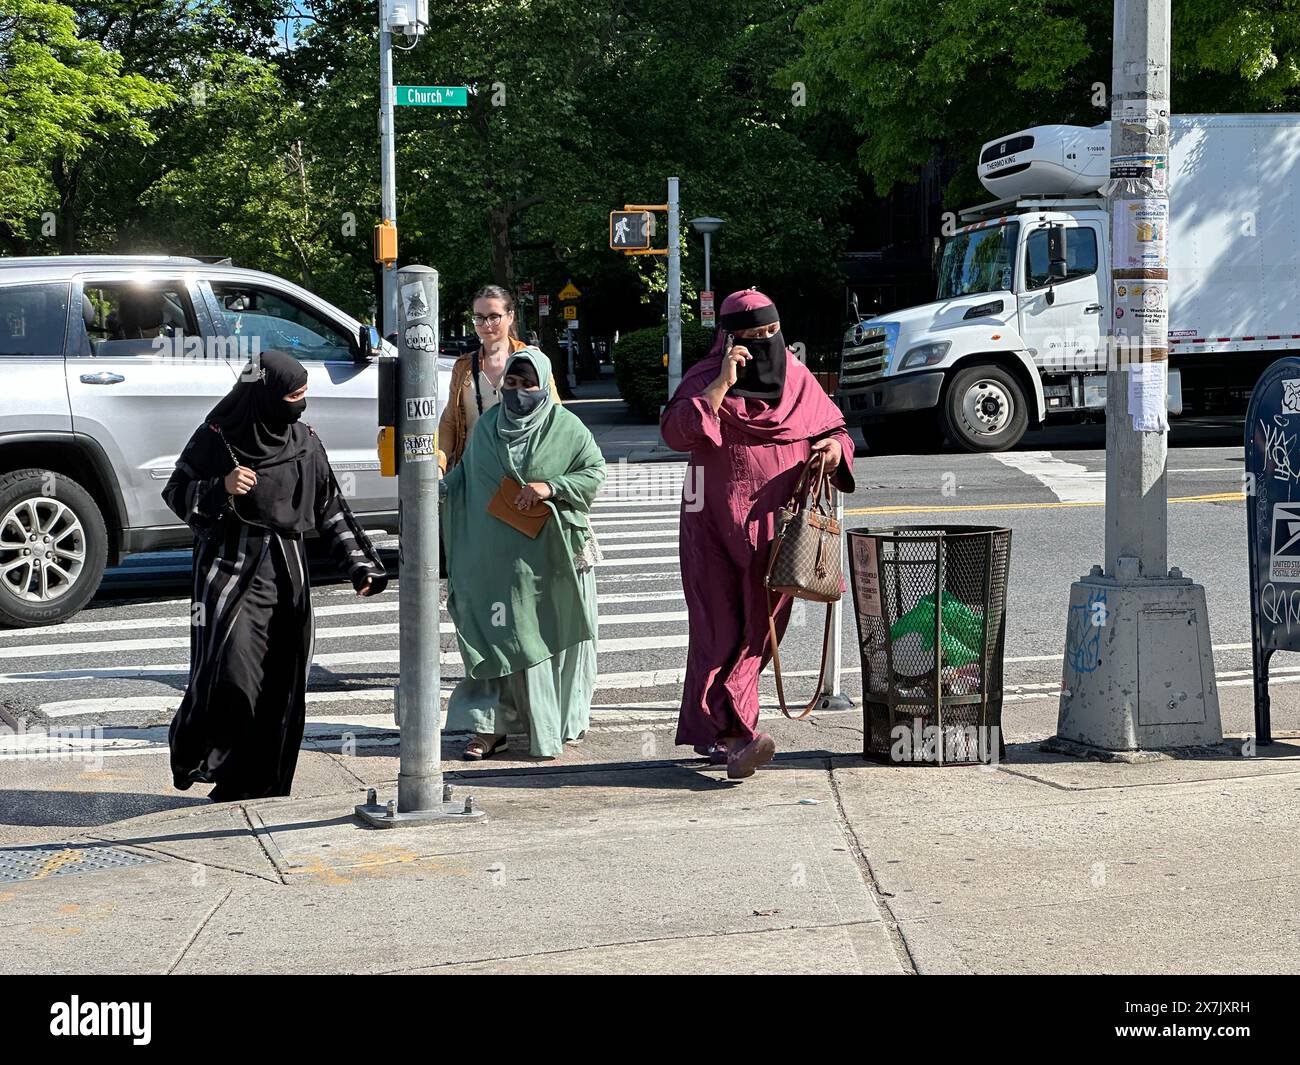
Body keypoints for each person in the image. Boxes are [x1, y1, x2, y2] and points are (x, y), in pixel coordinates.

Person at [162, 350, 387, 801]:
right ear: (262, 396)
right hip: (229, 571)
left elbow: (329, 507)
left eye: (304, 395)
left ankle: (262, 785)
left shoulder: (304, 439)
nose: (300, 404)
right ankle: (214, 766)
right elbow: (176, 492)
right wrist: (219, 487)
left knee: (281, 685)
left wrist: (359, 564)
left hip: (287, 570)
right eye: (292, 395)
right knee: (231, 677)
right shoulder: (216, 438)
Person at [661, 289, 856, 779]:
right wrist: (721, 387)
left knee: (759, 633)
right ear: (729, 340)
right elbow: (675, 431)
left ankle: (731, 733)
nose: (767, 343)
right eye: (754, 337)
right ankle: (737, 736)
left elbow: (837, 429)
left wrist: (833, 449)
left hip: (779, 532)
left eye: (773, 333)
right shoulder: (705, 379)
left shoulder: (796, 377)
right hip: (711, 528)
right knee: (716, 630)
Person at [440, 348, 605, 759]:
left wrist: (551, 489)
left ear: (544, 385)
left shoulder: (567, 428)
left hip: (550, 557)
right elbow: (465, 478)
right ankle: (489, 727)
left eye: (527, 384)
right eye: (510, 384)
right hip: (494, 556)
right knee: (493, 636)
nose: (517, 393)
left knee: (544, 638)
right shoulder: (489, 427)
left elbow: (594, 472)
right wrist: (434, 486)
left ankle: (552, 723)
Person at [438, 285, 561, 473]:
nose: (486, 325)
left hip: (521, 472)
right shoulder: (463, 366)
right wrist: (439, 464)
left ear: (510, 316)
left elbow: (555, 415)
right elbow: (449, 421)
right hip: (474, 472)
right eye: (479, 317)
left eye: (494, 316)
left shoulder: (531, 360)